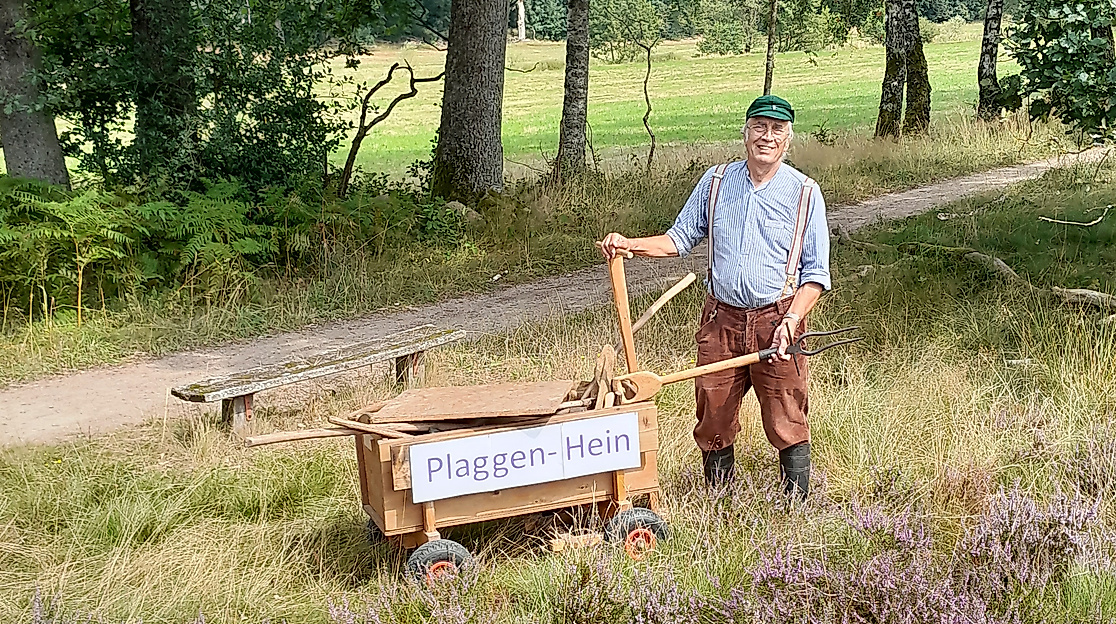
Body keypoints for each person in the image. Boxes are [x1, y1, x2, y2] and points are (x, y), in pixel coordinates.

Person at [599, 95, 831, 499]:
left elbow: (815, 275)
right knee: (714, 414)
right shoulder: (717, 183)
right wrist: (628, 244)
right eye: (759, 126)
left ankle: (796, 508)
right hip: (720, 322)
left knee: (786, 415)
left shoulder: (805, 194)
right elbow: (678, 239)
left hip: (777, 321)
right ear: (745, 132)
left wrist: (791, 322)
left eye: (777, 129)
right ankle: (718, 505)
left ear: (788, 140)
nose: (767, 136)